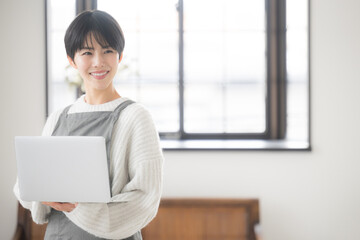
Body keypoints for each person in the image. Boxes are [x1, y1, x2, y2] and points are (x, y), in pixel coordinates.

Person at [13, 10, 164, 240]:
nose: (98, 62)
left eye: (108, 51)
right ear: (72, 60)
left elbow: (145, 199)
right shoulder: (57, 118)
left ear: (119, 56)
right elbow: (26, 186)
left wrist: (77, 207)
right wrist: (41, 194)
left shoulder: (136, 117)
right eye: (87, 52)